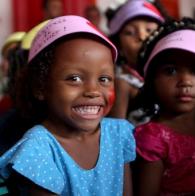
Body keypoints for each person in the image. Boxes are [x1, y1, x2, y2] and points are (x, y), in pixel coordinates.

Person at [0, 15, 136, 195]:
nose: (93, 91)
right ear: (40, 87)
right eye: (75, 78)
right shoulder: (39, 149)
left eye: (104, 79)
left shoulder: (118, 134)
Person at [134, 17, 195, 195]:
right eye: (171, 71)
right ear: (152, 81)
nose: (185, 82)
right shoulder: (153, 137)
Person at [106, 0, 167, 125]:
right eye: (130, 32)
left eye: (149, 30)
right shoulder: (122, 84)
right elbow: (115, 133)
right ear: (118, 46)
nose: (142, 36)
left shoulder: (167, 75)